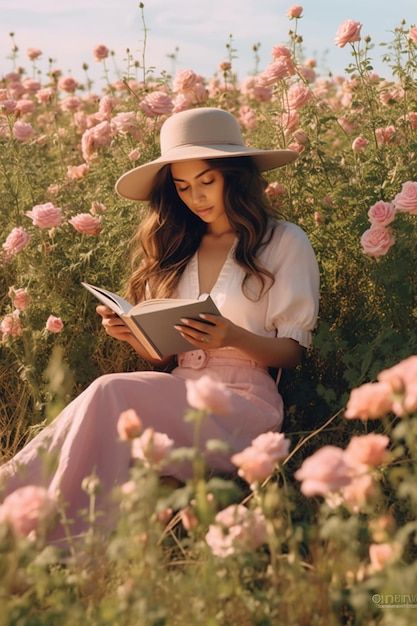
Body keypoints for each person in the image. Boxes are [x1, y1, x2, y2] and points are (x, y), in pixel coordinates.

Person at [0, 107, 319, 542]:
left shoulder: (283, 241)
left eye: (207, 181)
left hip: (244, 405)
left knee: (110, 390)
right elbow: (163, 357)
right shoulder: (177, 247)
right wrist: (133, 333)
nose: (196, 197)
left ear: (235, 175)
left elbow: (294, 353)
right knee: (110, 396)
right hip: (178, 389)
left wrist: (234, 337)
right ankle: (26, 514)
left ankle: (45, 527)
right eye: (183, 187)